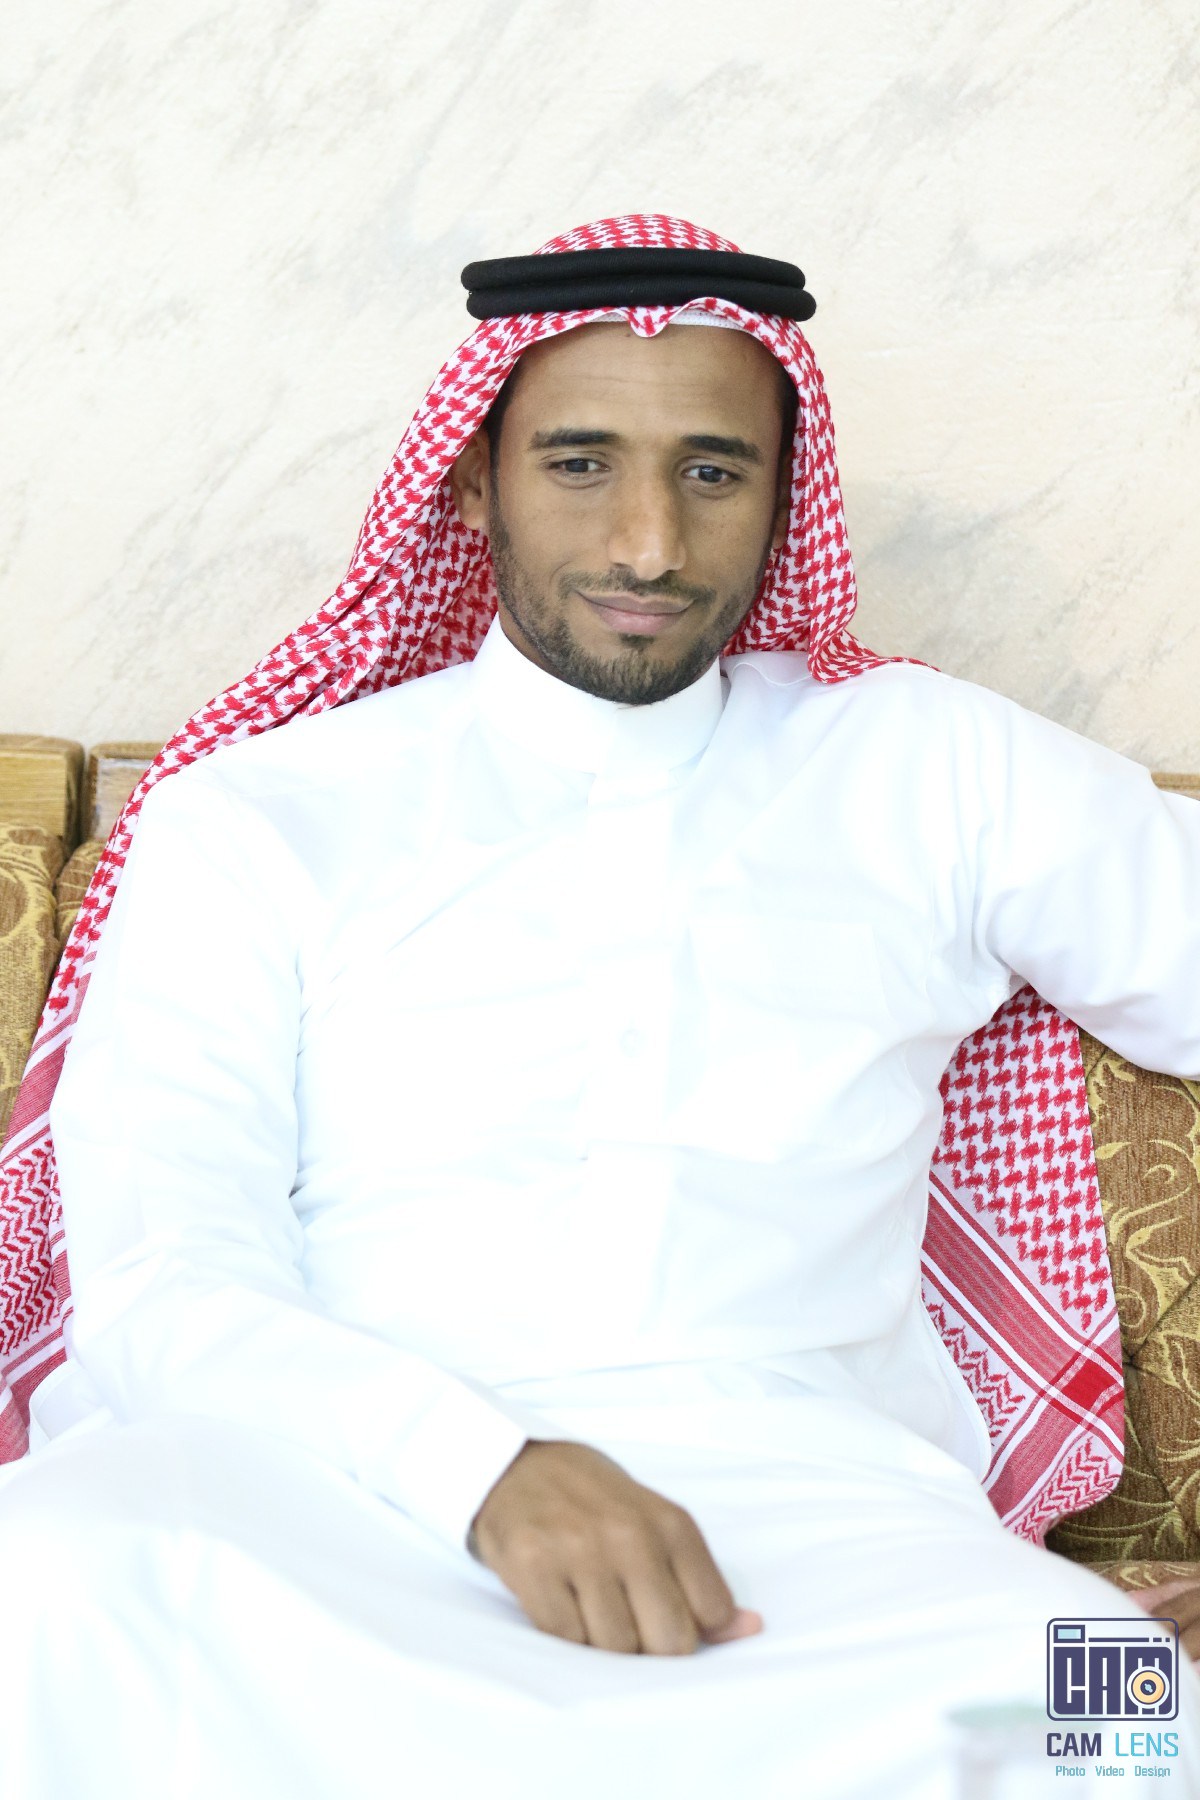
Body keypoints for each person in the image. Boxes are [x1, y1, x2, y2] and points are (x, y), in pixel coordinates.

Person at [0, 214, 1198, 1799]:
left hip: (826, 1540)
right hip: (318, 1504)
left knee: (1124, 1724)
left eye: (713, 471)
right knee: (43, 1595)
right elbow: (165, 1273)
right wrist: (482, 1472)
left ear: (785, 496)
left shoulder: (930, 769)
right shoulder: (263, 814)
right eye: (580, 465)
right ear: (473, 481)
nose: (648, 544)